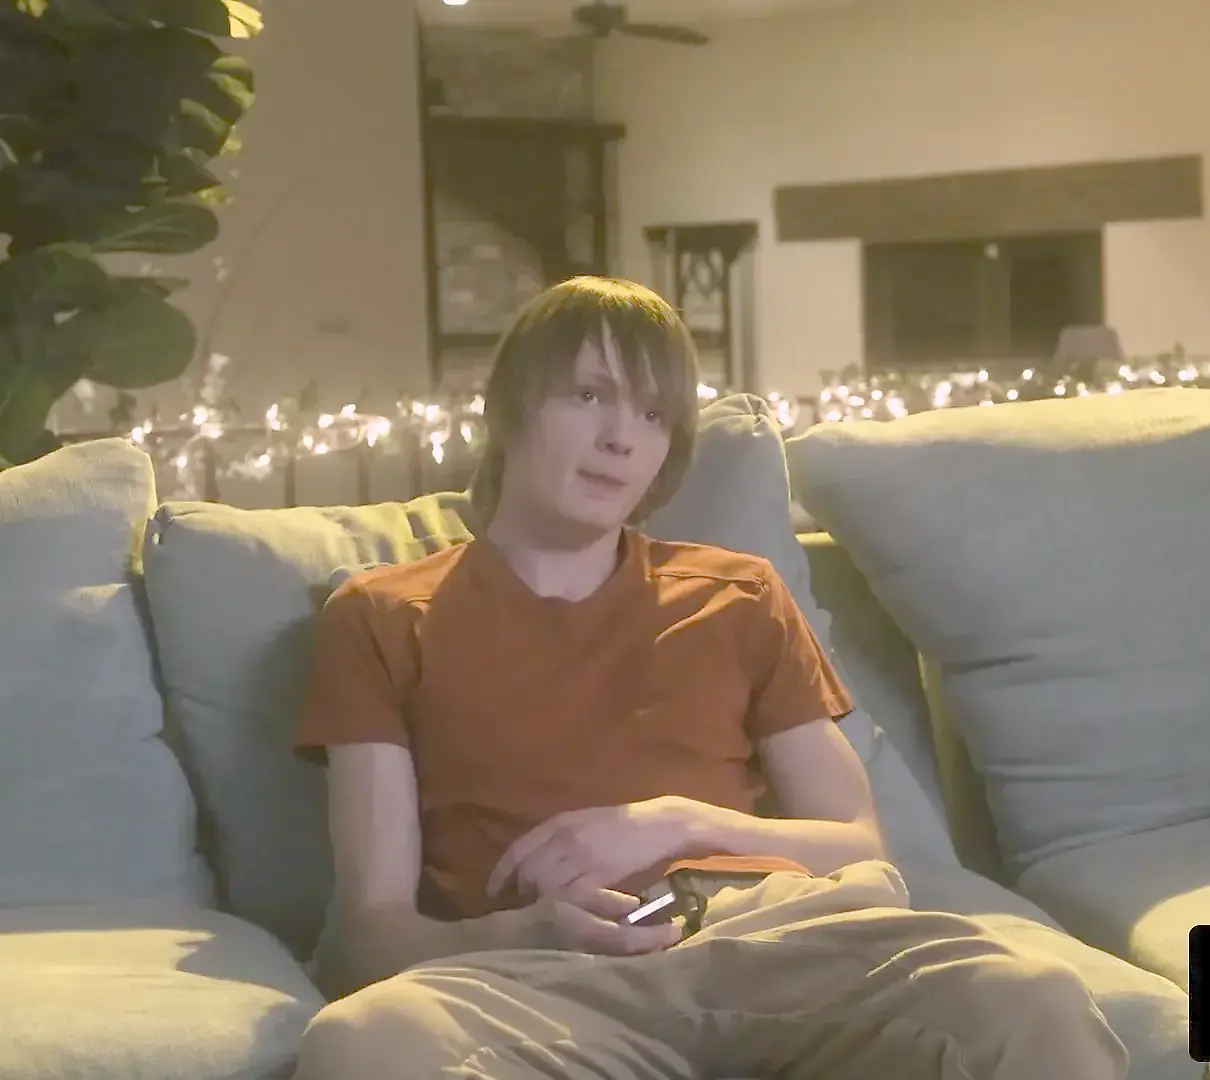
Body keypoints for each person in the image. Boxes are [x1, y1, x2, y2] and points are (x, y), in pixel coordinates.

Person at [289, 276, 1128, 1079]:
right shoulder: (382, 617)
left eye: (654, 413)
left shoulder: (737, 595)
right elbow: (373, 932)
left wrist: (673, 825)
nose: (622, 436)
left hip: (769, 943)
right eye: (589, 395)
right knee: (363, 1049)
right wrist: (524, 931)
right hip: (539, 979)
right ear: (509, 408)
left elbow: (857, 844)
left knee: (1033, 1005)